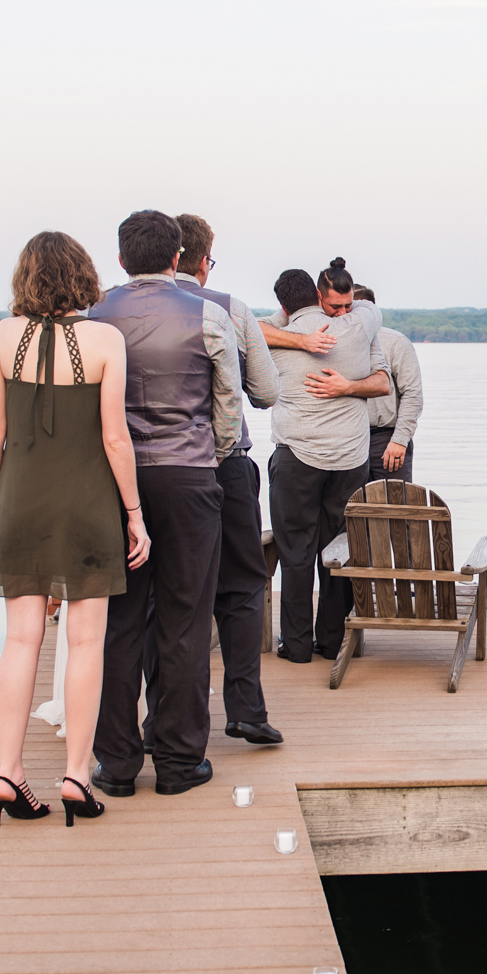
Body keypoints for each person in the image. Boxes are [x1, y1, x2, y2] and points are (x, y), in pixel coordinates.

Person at [0, 230, 149, 831]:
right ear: (82, 275)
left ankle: (8, 774)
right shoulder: (107, 339)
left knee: (20, 640)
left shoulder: (3, 337)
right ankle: (77, 776)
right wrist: (134, 514)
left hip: (22, 501)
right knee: (86, 642)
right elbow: (113, 438)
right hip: (88, 505)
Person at [86, 210, 242, 797]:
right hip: (189, 476)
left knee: (117, 623)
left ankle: (117, 763)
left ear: (122, 259)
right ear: (178, 258)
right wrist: (215, 455)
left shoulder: (95, 315)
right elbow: (228, 404)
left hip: (111, 483)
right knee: (185, 619)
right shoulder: (209, 314)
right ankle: (179, 762)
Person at [170, 212, 284, 745]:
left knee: (162, 596)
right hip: (227, 466)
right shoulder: (229, 309)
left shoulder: (116, 309)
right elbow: (264, 391)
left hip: (153, 472)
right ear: (200, 261)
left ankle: (161, 720)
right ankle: (245, 709)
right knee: (241, 588)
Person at [264, 258, 389, 662]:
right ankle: (332, 640)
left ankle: (296, 646)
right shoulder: (357, 325)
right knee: (339, 547)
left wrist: (293, 337)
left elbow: (243, 330)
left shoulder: (274, 339)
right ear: (321, 296)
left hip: (296, 456)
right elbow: (370, 308)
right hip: (349, 458)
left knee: (294, 551)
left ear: (283, 306)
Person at [350, 285, 422, 487]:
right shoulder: (336, 341)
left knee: (395, 509)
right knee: (350, 512)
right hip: (347, 439)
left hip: (386, 440)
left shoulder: (396, 342)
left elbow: (413, 394)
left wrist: (400, 440)